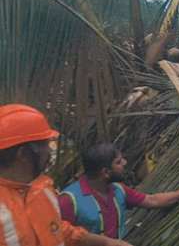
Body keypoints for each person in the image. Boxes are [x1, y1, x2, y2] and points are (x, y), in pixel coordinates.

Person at [0, 104, 131, 246]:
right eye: (45, 145)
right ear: (23, 154)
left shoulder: (40, 189)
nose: (49, 150)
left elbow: (55, 229)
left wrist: (106, 242)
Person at [58, 143, 179, 240]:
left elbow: (152, 200)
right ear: (105, 172)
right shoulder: (68, 200)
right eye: (118, 162)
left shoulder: (118, 190)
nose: (124, 163)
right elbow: (57, 238)